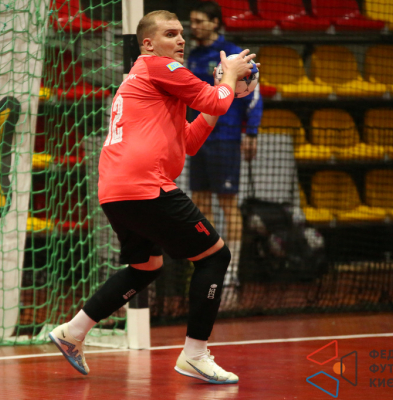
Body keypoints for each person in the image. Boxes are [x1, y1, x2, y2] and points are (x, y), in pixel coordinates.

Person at [49, 10, 257, 385]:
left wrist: (223, 88)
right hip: (145, 184)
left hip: (117, 190)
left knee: (146, 266)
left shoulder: (152, 82)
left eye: (181, 34)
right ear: (148, 44)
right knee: (215, 257)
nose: (181, 40)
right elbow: (216, 101)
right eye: (170, 34)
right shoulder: (160, 66)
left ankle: (73, 331)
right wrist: (229, 76)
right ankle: (195, 354)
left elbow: (190, 140)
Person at [187, 1, 263, 287]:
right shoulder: (193, 55)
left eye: (199, 21)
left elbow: (254, 95)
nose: (194, 27)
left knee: (228, 204)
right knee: (200, 202)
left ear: (215, 22)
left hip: (226, 138)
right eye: (192, 21)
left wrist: (251, 132)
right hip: (197, 138)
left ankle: (231, 273)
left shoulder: (233, 55)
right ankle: (209, 266)